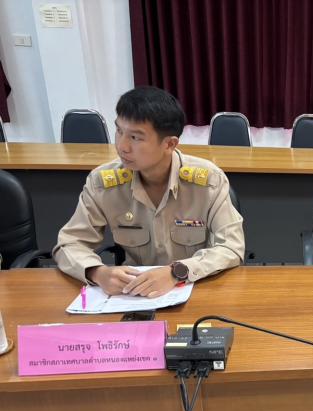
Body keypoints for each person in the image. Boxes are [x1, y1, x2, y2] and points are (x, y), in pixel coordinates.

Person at [53, 86, 244, 298]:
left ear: (169, 144)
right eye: (119, 131)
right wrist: (97, 272)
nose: (122, 146)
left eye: (135, 137)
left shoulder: (208, 182)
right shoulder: (102, 183)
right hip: (132, 294)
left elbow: (231, 248)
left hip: (194, 289)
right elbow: (69, 243)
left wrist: (176, 272)